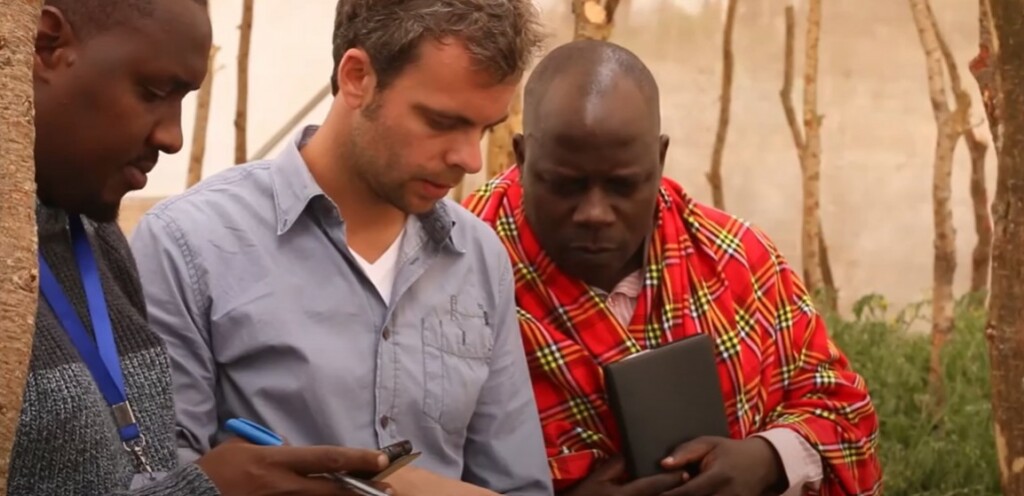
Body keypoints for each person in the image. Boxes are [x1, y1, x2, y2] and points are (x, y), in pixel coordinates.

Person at [127, 1, 552, 494]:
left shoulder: (478, 257)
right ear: (357, 77)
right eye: (441, 122)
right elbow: (160, 479)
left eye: (486, 128)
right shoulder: (189, 245)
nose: (469, 158)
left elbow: (519, 484)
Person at [10, 0, 398, 495]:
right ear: (46, 44)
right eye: (152, 92)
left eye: (183, 101)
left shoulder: (94, 235)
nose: (172, 136)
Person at [463, 39, 882, 496]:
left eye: (623, 185)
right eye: (566, 185)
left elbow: (841, 407)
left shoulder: (736, 258)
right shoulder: (460, 272)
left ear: (659, 160)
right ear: (521, 158)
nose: (595, 213)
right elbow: (415, 460)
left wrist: (768, 458)